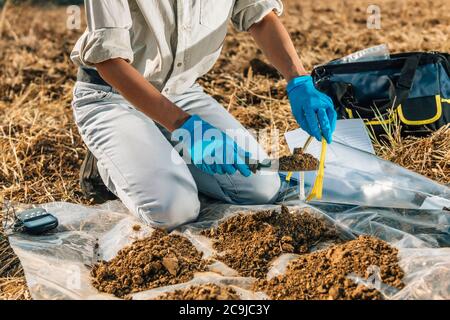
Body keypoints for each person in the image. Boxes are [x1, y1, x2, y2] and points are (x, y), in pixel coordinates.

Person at [71, 0, 336, 229]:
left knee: (262, 187)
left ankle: (155, 148)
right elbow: (108, 61)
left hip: (181, 92)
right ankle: (108, 163)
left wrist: (299, 81)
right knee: (173, 210)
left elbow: (261, 16)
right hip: (113, 95)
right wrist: (184, 126)